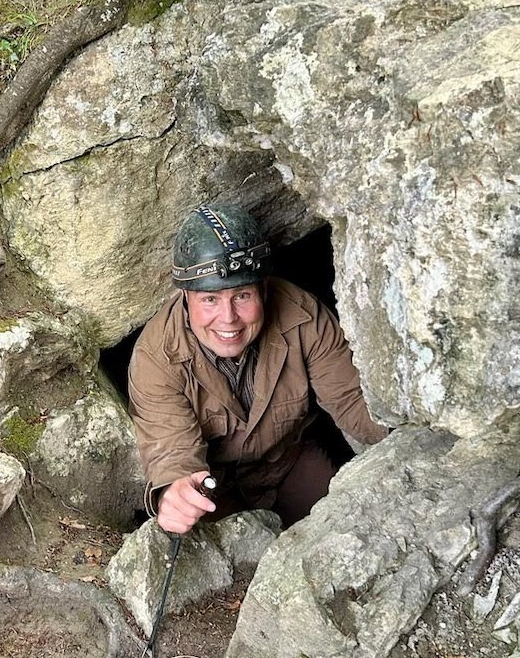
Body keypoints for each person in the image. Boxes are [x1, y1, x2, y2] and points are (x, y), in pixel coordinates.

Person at [128, 204, 388, 535]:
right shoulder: (157, 356)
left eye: (242, 296)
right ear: (185, 296)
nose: (228, 318)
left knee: (347, 529)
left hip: (289, 463)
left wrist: (409, 435)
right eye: (210, 300)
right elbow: (172, 451)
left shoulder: (302, 317)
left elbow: (353, 401)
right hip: (216, 490)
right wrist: (176, 491)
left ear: (264, 289)